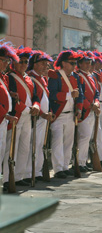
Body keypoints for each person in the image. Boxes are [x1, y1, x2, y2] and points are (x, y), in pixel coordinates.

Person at [47, 50, 84, 179]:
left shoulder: (76, 77)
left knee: (68, 142)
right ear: (63, 63)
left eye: (75, 63)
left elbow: (80, 95)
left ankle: (65, 166)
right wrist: (69, 95)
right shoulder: (55, 76)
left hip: (71, 114)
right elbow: (51, 94)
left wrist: (79, 109)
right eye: (72, 63)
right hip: (58, 114)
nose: (74, 65)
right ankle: (58, 169)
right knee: (57, 141)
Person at [8, 47, 40, 185]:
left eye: (26, 62)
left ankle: (19, 176)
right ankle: (9, 178)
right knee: (12, 148)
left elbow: (35, 96)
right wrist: (27, 109)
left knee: (24, 147)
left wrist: (37, 106)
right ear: (14, 62)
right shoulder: (10, 77)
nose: (23, 64)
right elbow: (12, 98)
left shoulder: (29, 79)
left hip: (29, 115)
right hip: (17, 115)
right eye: (20, 61)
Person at [26, 50, 54, 181]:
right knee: (31, 145)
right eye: (43, 63)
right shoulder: (30, 78)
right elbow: (33, 99)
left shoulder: (42, 79)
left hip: (43, 118)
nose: (46, 66)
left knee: (39, 145)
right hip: (35, 117)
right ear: (35, 64)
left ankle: (36, 171)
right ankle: (28, 172)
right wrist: (42, 114)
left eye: (46, 64)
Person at [75, 51, 100, 172]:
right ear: (79, 64)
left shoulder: (91, 76)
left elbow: (96, 93)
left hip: (92, 110)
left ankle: (83, 161)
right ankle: (79, 162)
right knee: (84, 137)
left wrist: (96, 103)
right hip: (84, 111)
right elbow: (80, 95)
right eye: (85, 63)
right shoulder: (78, 76)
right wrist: (89, 105)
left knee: (88, 137)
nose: (88, 65)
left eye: (89, 63)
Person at [0, 43, 18, 190]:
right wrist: (5, 115)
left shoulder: (3, 78)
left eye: (7, 61)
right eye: (3, 60)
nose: (6, 64)